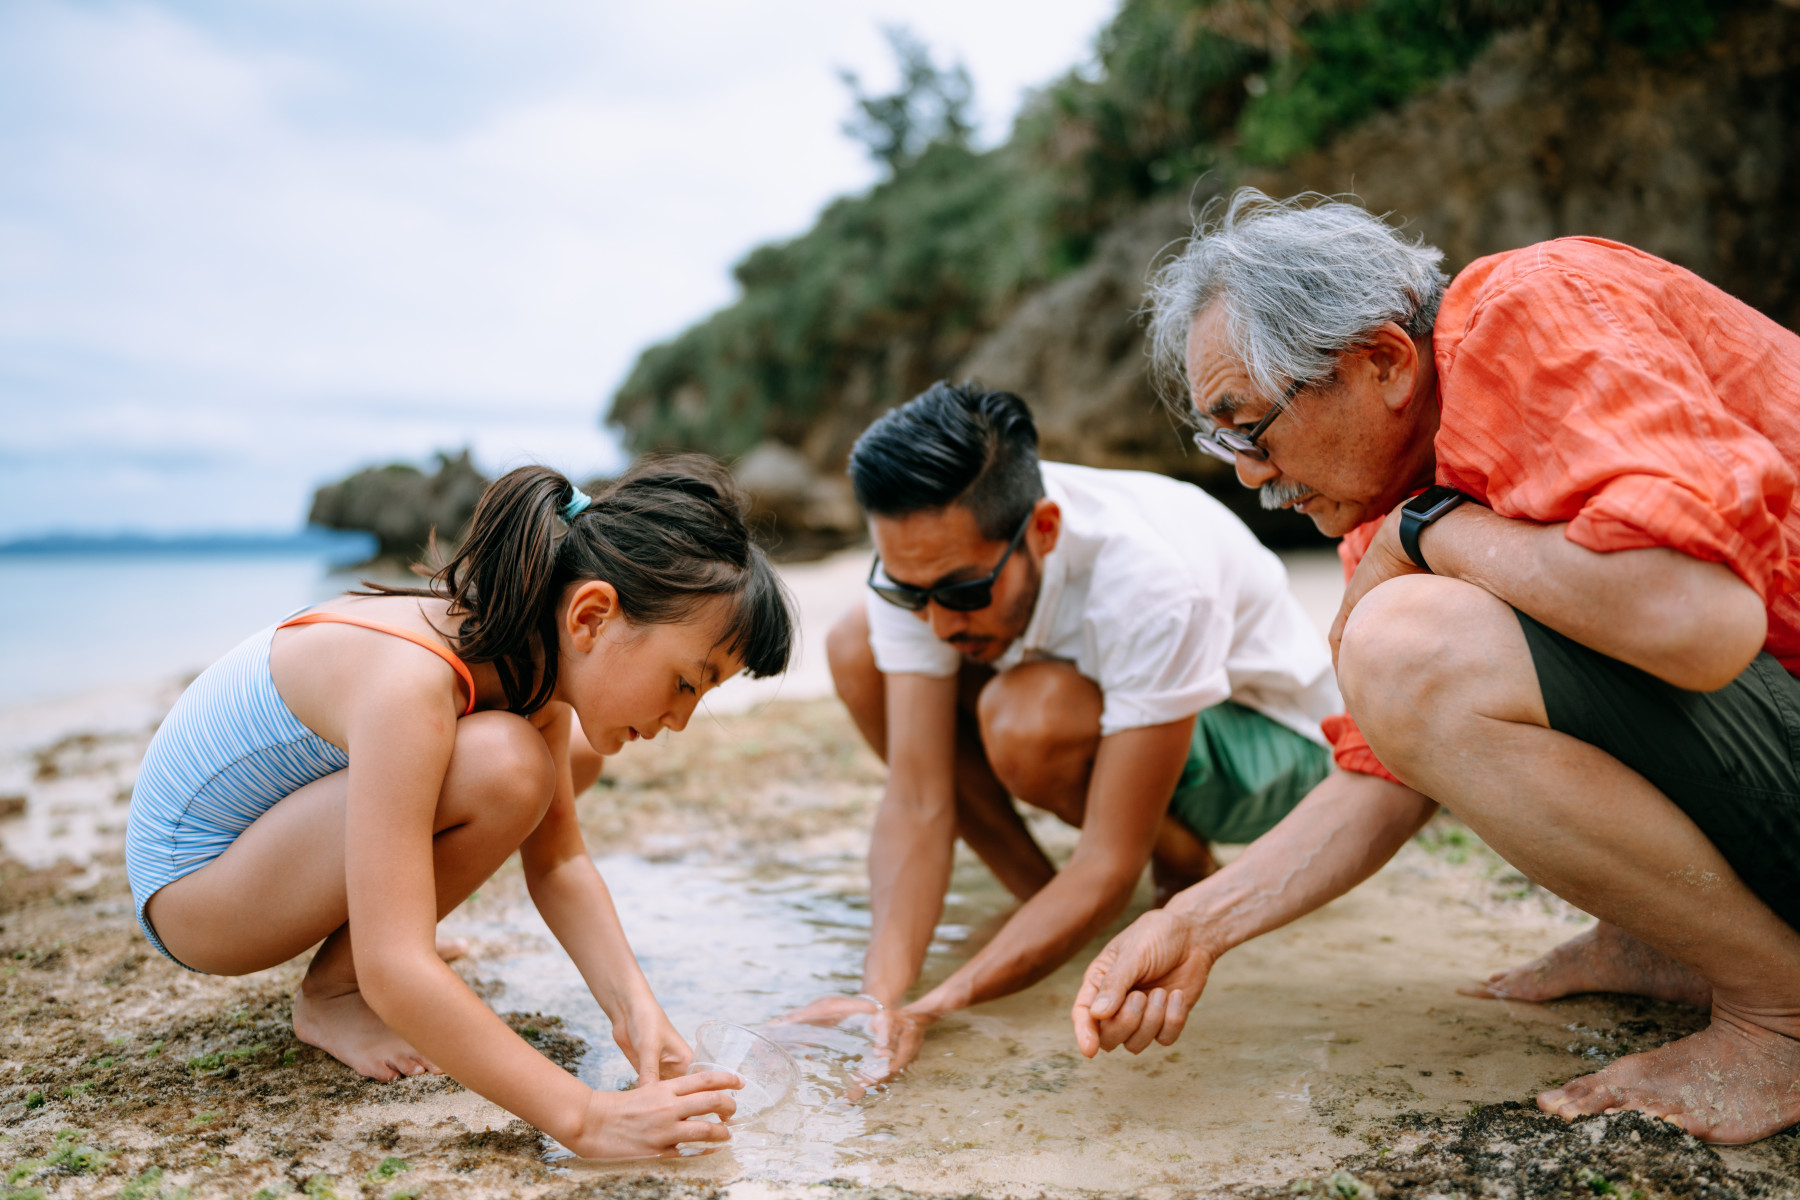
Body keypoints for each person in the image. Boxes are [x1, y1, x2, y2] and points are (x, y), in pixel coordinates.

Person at [1071, 189, 1800, 1144]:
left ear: (1383, 360)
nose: (1247, 471)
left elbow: (1701, 622)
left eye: (1248, 425)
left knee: (1403, 639)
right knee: (1405, 644)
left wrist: (1434, 532)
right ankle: (1672, 935)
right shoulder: (1393, 492)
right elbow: (1388, 764)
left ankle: (1778, 1018)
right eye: (1224, 440)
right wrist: (1199, 926)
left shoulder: (1537, 310)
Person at [125, 457, 793, 1159]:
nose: (681, 720)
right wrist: (588, 1119)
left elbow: (561, 864)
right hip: (194, 895)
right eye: (686, 683)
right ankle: (335, 994)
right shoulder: (411, 679)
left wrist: (638, 1013)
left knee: (533, 765)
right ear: (591, 616)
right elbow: (399, 968)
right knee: (506, 768)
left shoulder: (529, 660)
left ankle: (370, 940)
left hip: (261, 852)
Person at [782, 381, 1343, 1076]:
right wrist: (880, 995)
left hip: (1279, 750)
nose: (938, 622)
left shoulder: (1148, 578)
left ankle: (1182, 868)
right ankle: (1044, 907)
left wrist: (942, 1004)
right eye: (909, 593)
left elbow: (1109, 859)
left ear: (1042, 531)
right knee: (856, 646)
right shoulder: (930, 553)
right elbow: (918, 799)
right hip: (1141, 717)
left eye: (962, 593)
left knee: (1031, 718)